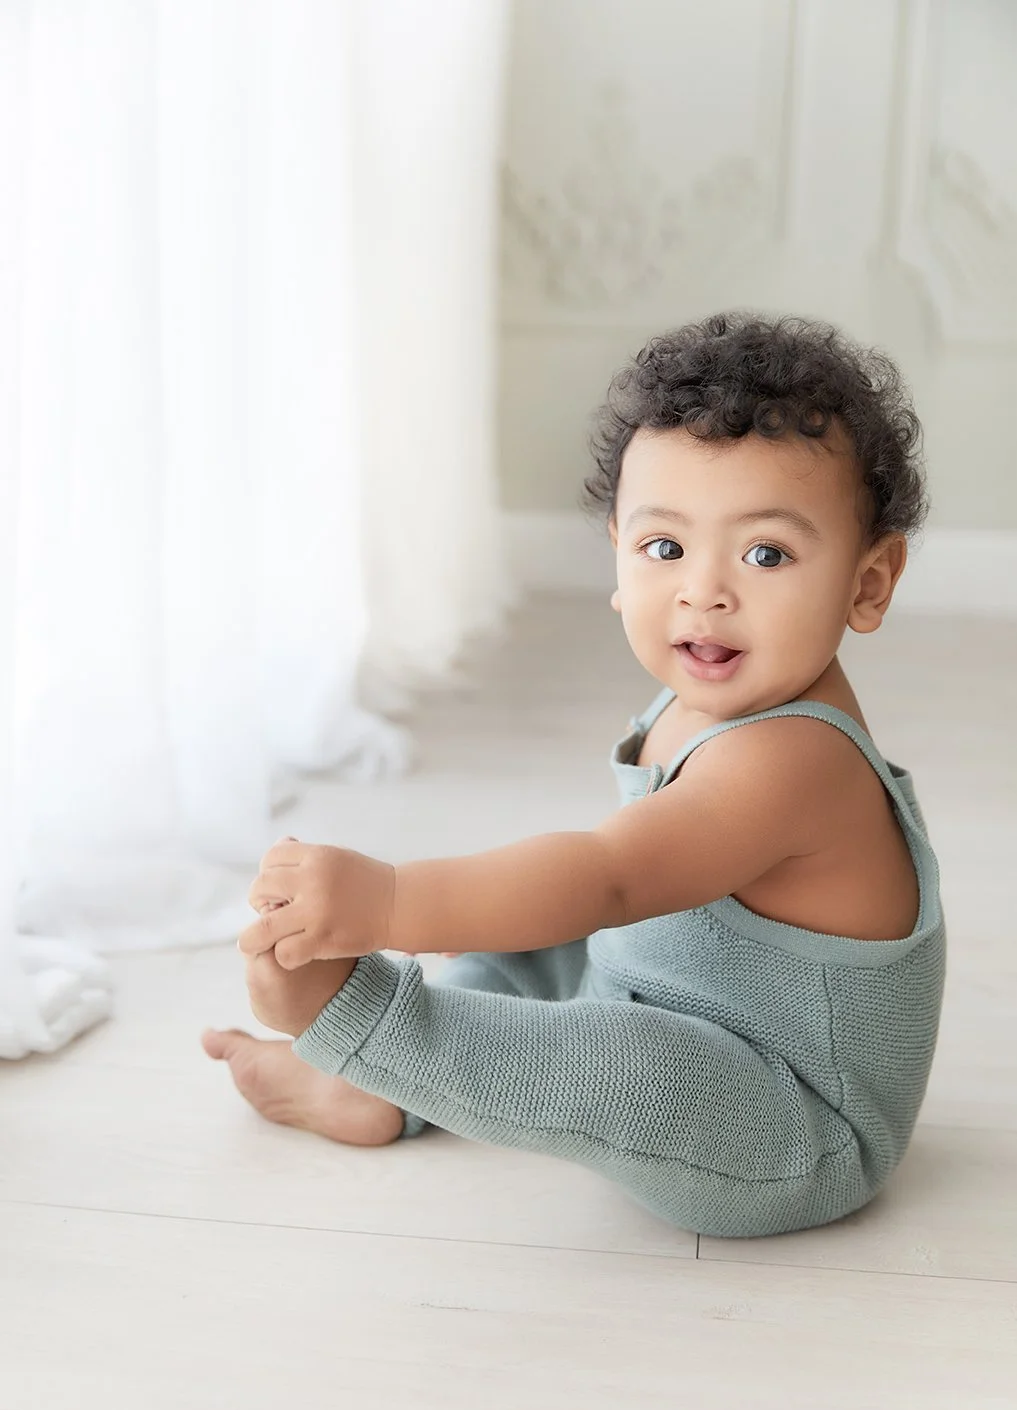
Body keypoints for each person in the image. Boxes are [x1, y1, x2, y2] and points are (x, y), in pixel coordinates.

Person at [202, 312, 945, 1238]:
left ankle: (365, 1032)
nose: (702, 591)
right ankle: (379, 1089)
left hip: (784, 1125)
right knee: (531, 946)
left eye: (765, 553)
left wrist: (387, 900)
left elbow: (612, 875)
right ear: (618, 557)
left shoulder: (793, 758)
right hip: (665, 989)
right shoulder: (703, 696)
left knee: (616, 1047)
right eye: (665, 548)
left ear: (867, 584)